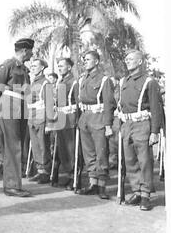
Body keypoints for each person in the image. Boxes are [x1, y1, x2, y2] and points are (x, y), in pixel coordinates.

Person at [118, 49, 162, 210]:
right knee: (130, 161)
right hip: (126, 125)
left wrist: (155, 131)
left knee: (144, 161)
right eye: (126, 59)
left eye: (131, 59)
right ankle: (136, 190)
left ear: (140, 61)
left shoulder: (148, 81)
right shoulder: (123, 81)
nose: (127, 61)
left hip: (142, 124)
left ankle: (145, 195)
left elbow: (156, 108)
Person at [0, 38, 34, 197]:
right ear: (24, 51)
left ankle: (14, 183)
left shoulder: (24, 69)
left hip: (21, 106)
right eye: (30, 51)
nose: (32, 53)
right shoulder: (8, 65)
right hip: (9, 105)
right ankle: (12, 185)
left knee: (17, 145)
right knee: (12, 145)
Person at [78, 50, 116, 199]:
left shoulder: (104, 80)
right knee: (89, 154)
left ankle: (102, 186)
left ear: (96, 61)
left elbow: (109, 103)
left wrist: (108, 125)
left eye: (88, 59)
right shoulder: (82, 79)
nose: (85, 62)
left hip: (99, 118)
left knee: (101, 153)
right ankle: (92, 183)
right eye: (84, 59)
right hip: (85, 119)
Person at [54, 57, 80, 190]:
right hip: (61, 118)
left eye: (62, 66)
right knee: (63, 149)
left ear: (69, 67)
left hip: (70, 118)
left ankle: (74, 177)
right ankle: (68, 174)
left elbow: (78, 102)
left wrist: (77, 119)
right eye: (58, 66)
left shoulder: (74, 82)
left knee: (71, 150)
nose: (59, 68)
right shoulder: (61, 81)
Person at [26, 58, 51, 184]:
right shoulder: (32, 82)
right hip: (32, 117)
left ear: (42, 68)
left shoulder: (45, 83)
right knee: (35, 146)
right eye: (32, 66)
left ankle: (46, 172)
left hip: (42, 118)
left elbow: (49, 104)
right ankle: (40, 171)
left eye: (35, 66)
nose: (32, 68)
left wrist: (49, 123)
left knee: (43, 146)